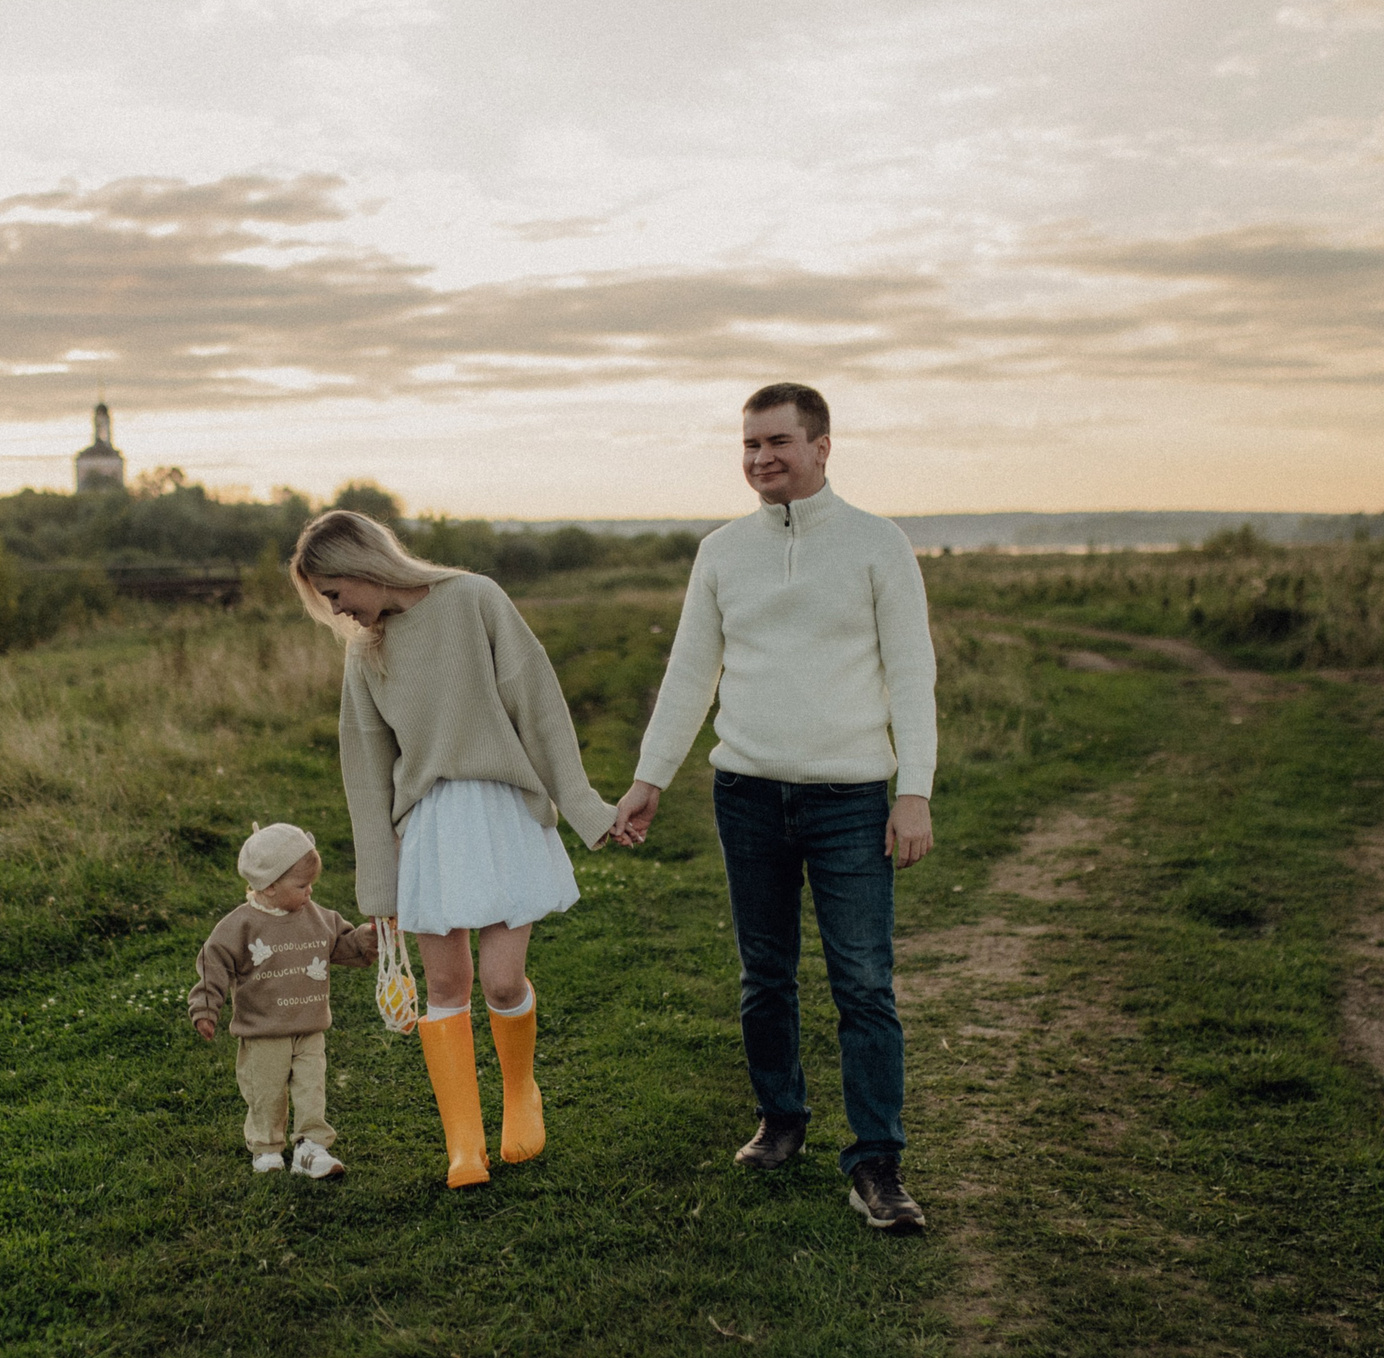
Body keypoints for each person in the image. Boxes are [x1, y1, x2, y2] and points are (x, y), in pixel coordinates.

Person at [610, 383, 939, 1234]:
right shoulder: (722, 552)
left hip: (852, 796)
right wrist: (650, 776)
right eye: (750, 444)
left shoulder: (878, 545)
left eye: (779, 442)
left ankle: (877, 1163)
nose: (761, 458)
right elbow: (690, 673)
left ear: (822, 446)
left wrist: (914, 792)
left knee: (863, 981)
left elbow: (912, 673)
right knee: (765, 974)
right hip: (746, 793)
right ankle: (781, 1118)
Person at [290, 509, 623, 1190]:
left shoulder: (475, 599)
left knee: (502, 979)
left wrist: (586, 807)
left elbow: (540, 707)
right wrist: (379, 894)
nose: (338, 611)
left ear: (362, 563)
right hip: (431, 829)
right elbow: (366, 772)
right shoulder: (366, 653)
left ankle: (521, 1094)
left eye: (334, 593)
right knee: (446, 986)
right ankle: (463, 1143)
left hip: (502, 809)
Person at [189, 821, 377, 1179]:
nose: (309, 893)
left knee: (311, 1088)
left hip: (309, 1027)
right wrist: (205, 1008)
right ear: (269, 886)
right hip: (263, 1031)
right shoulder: (239, 926)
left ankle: (311, 1146)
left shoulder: (318, 918)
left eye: (311, 886)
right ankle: (267, 1148)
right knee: (266, 1092)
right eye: (302, 885)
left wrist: (366, 939)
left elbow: (343, 944)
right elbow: (213, 965)